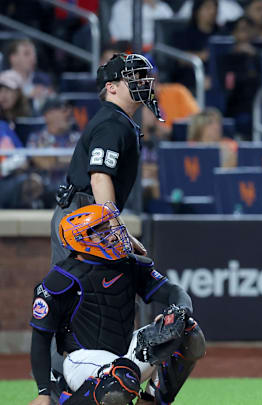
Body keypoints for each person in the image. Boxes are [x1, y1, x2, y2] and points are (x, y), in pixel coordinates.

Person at [27, 202, 205, 405]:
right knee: (120, 378)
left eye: (109, 228)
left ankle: (150, 401)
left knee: (188, 332)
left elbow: (174, 292)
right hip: (82, 360)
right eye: (101, 231)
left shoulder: (129, 264)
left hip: (125, 351)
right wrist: (43, 393)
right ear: (80, 240)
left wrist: (179, 312)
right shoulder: (61, 279)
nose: (112, 235)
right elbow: (40, 338)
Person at [50, 54, 164, 266]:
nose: (141, 82)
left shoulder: (118, 120)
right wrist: (114, 225)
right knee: (82, 292)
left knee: (105, 292)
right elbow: (99, 178)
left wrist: (113, 225)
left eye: (141, 77)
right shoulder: (112, 123)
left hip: (89, 214)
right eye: (133, 78)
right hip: (83, 216)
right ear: (111, 87)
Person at [220, 16, 262, 137]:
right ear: (234, 33)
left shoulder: (257, 56)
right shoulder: (227, 58)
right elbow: (229, 85)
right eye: (242, 29)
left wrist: (254, 56)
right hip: (237, 106)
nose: (245, 33)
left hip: (258, 103)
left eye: (248, 29)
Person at [6, 38, 53, 111]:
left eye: (34, 54)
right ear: (13, 58)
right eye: (27, 54)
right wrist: (28, 96)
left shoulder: (43, 79)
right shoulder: (4, 79)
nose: (33, 58)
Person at [109, 0, 174, 50]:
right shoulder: (122, 5)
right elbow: (126, 38)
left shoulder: (164, 8)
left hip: (162, 54)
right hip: (130, 54)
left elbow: (170, 35)